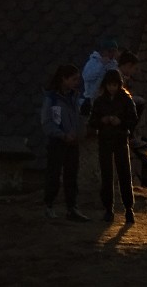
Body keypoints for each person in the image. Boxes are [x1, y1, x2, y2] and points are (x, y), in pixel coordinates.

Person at [88, 68, 138, 224]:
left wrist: (121, 122)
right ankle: (108, 209)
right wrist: (102, 121)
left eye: (114, 85)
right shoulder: (100, 101)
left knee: (124, 175)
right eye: (110, 85)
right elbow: (92, 121)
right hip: (105, 141)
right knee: (107, 176)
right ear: (106, 85)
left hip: (120, 140)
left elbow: (133, 119)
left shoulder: (126, 100)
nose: (112, 88)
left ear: (119, 85)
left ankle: (128, 209)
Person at [39, 64, 89, 221]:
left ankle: (71, 207)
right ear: (64, 79)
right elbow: (47, 122)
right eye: (73, 79)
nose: (77, 82)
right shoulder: (52, 99)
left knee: (71, 175)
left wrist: (78, 133)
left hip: (72, 142)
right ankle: (49, 206)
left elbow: (77, 118)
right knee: (53, 174)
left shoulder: (74, 97)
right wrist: (62, 134)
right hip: (57, 142)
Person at [80, 36, 120, 115]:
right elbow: (86, 76)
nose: (112, 54)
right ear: (103, 51)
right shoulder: (93, 61)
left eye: (114, 51)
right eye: (110, 51)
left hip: (107, 99)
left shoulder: (114, 64)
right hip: (91, 99)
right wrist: (101, 65)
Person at [117, 49, 147, 142]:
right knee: (138, 103)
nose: (134, 72)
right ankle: (129, 132)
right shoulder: (117, 75)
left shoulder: (121, 75)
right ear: (128, 66)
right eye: (134, 68)